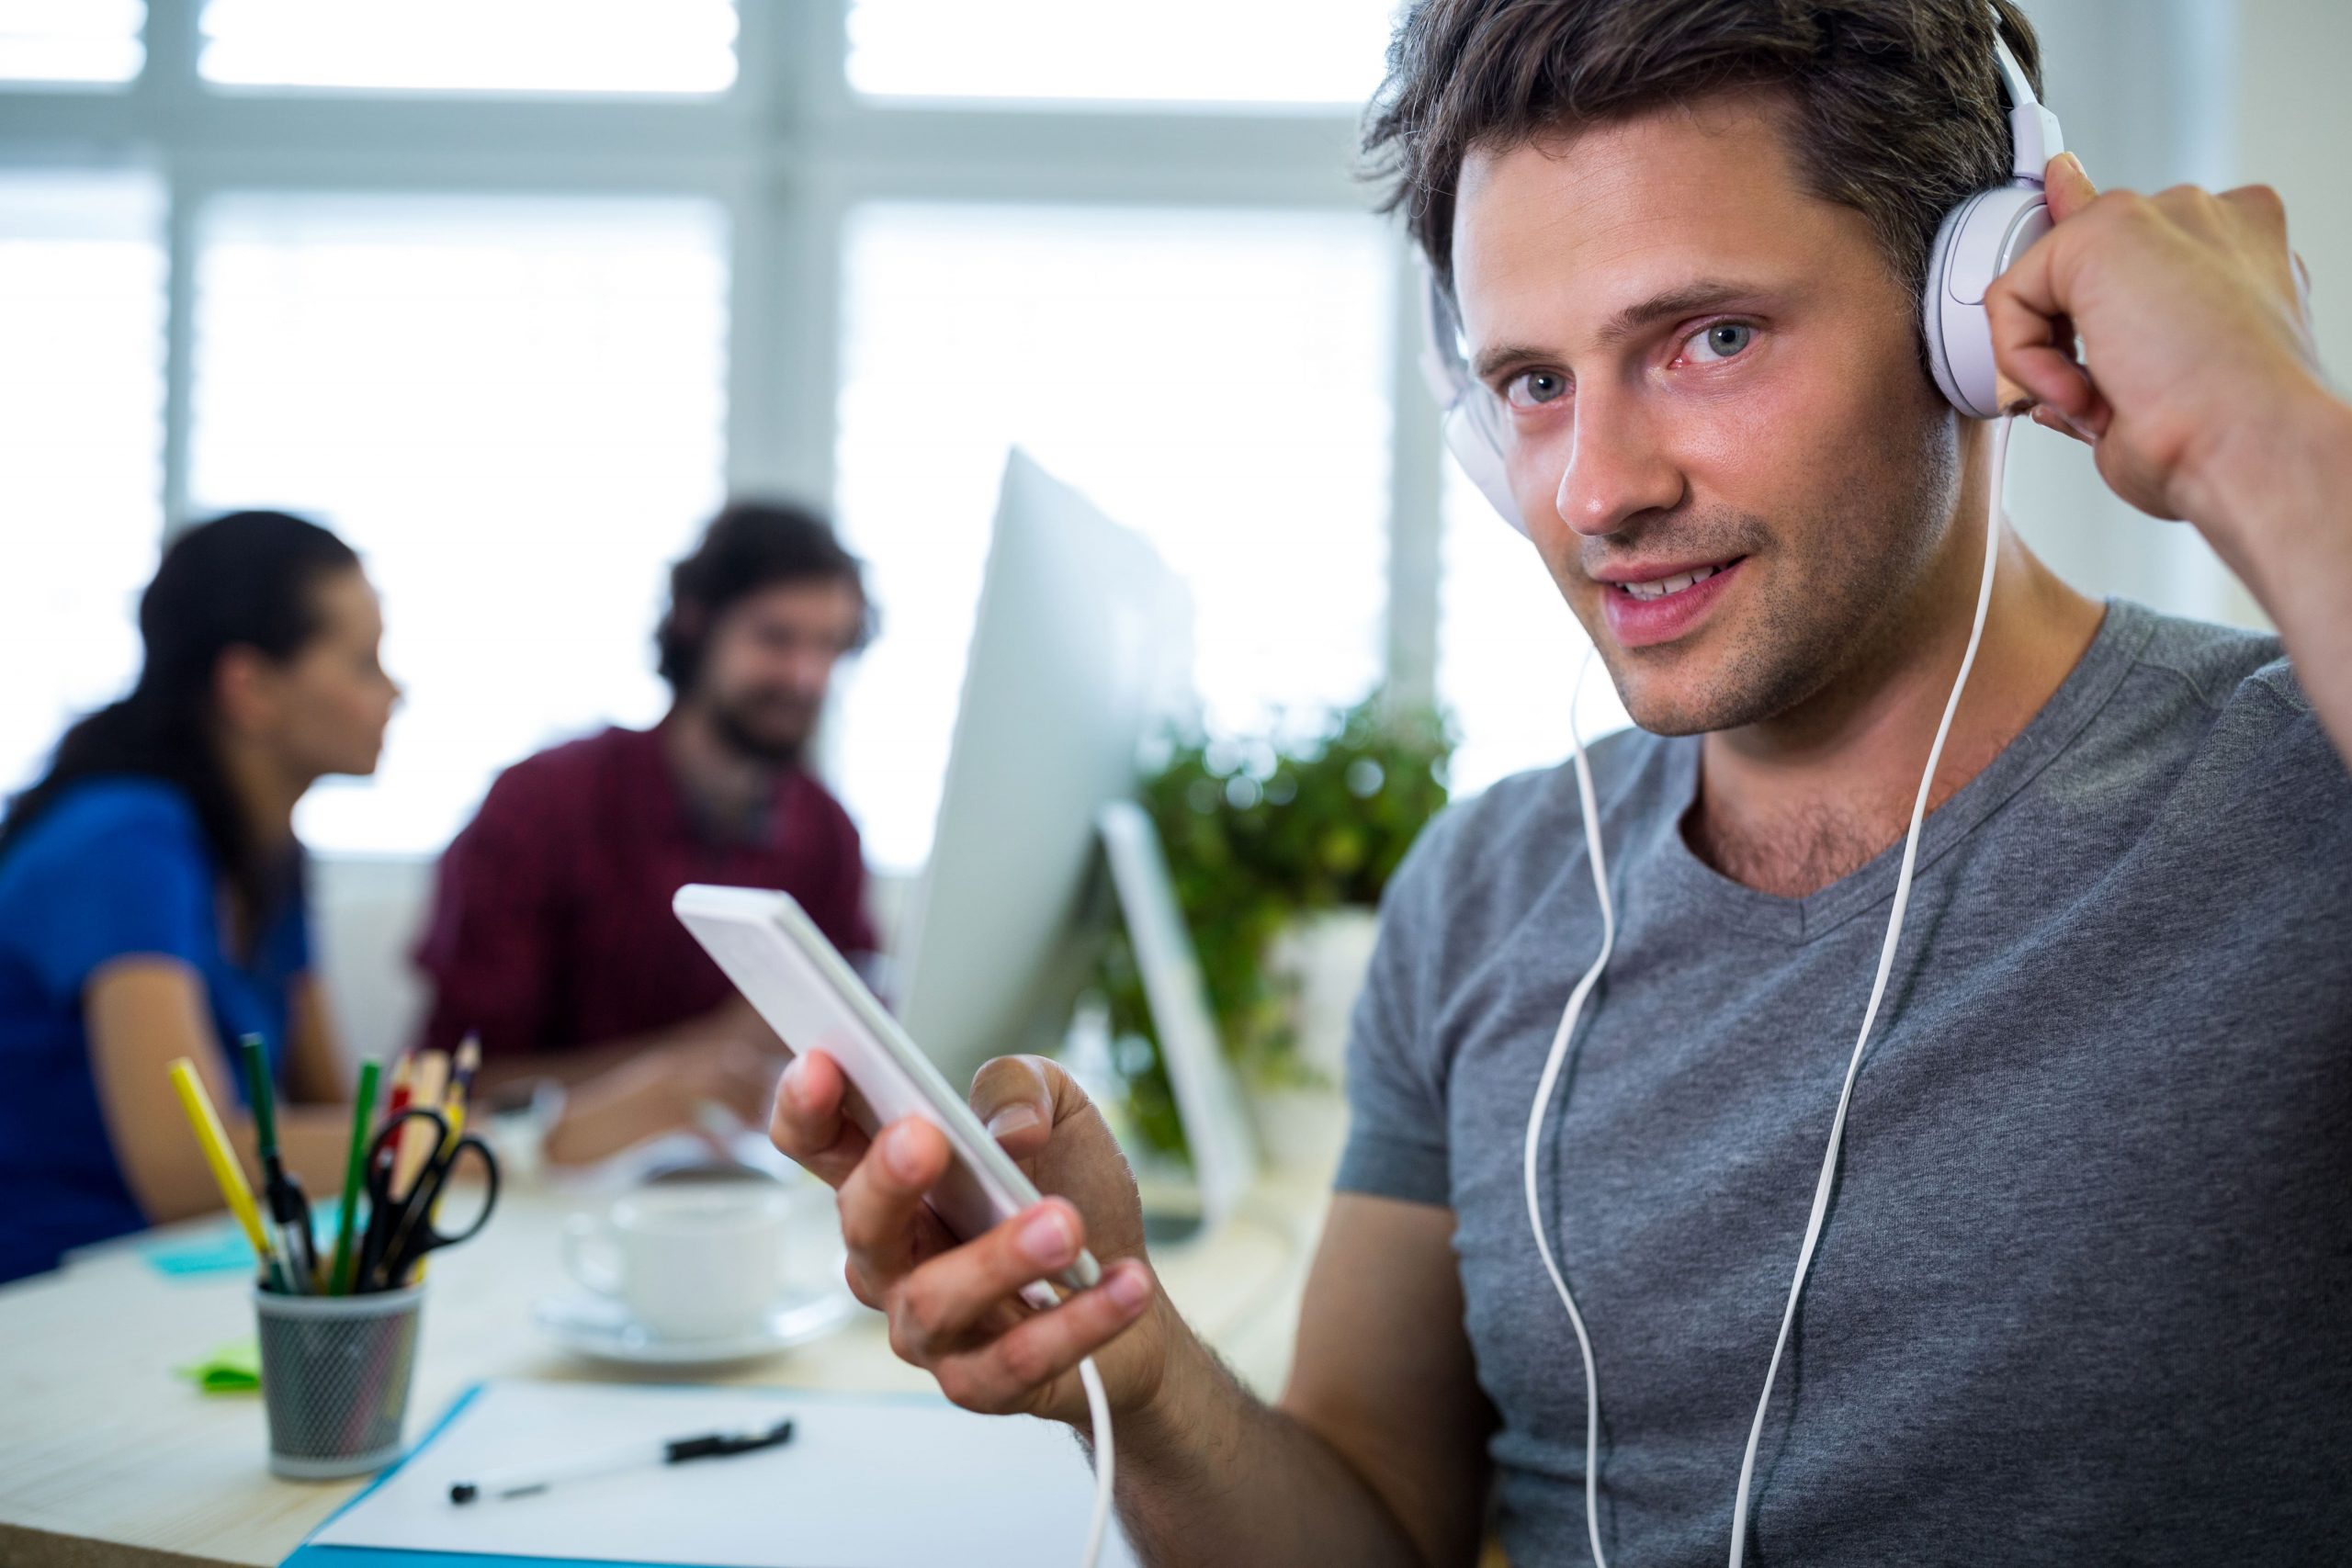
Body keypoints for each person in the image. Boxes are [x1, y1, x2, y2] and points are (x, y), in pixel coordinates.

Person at [766, 3, 2352, 1562]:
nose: (1597, 491)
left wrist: (2256, 425)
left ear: (1970, 311)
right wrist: (1134, 1367)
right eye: (1532, 382)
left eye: (1711, 339)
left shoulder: (2301, 783)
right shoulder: (1482, 895)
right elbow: (1374, 1535)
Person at [413, 501, 878, 1167]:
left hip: (750, 1186)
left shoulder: (828, 833)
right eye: (776, 638)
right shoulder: (542, 804)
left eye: (831, 646)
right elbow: (453, 1086)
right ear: (695, 623)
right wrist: (686, 1062)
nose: (806, 676)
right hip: (543, 1191)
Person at [0, 513, 400, 1283]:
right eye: (363, 662)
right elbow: (187, 1165)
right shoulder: (123, 841)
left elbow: (331, 1111)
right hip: (45, 1295)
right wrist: (464, 1143)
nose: (394, 691)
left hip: (163, 1278)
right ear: (250, 687)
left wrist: (428, 1137)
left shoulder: (269, 856)